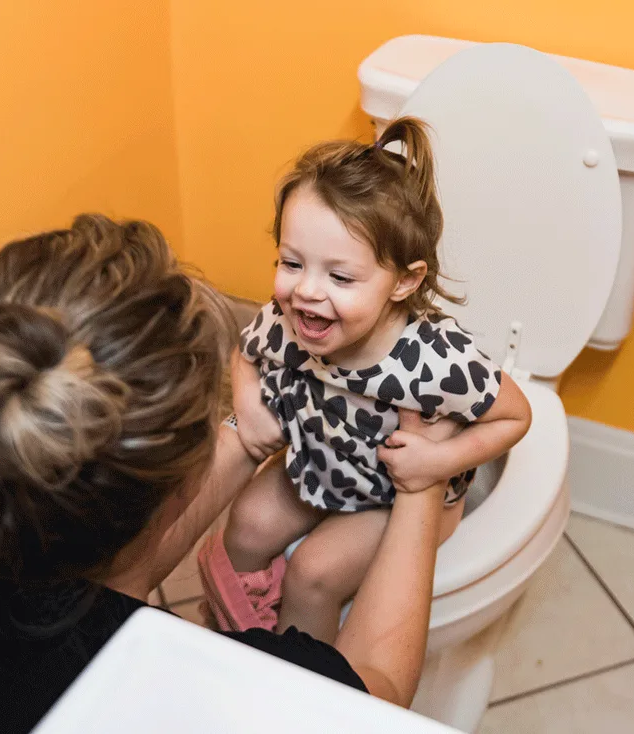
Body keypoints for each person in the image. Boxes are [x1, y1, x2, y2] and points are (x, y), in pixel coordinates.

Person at [0, 214, 455, 733]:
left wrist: (241, 436)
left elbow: (111, 579)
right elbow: (375, 697)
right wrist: (423, 483)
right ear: (172, 490)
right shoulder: (148, 682)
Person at [199, 118, 533, 642]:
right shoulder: (289, 320)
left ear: (404, 281)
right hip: (319, 464)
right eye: (291, 262)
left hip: (393, 497)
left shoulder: (434, 360)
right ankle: (241, 639)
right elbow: (246, 352)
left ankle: (301, 683)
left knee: (313, 573)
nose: (306, 291)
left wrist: (437, 462)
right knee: (243, 526)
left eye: (340, 276)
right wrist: (249, 401)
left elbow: (517, 415)